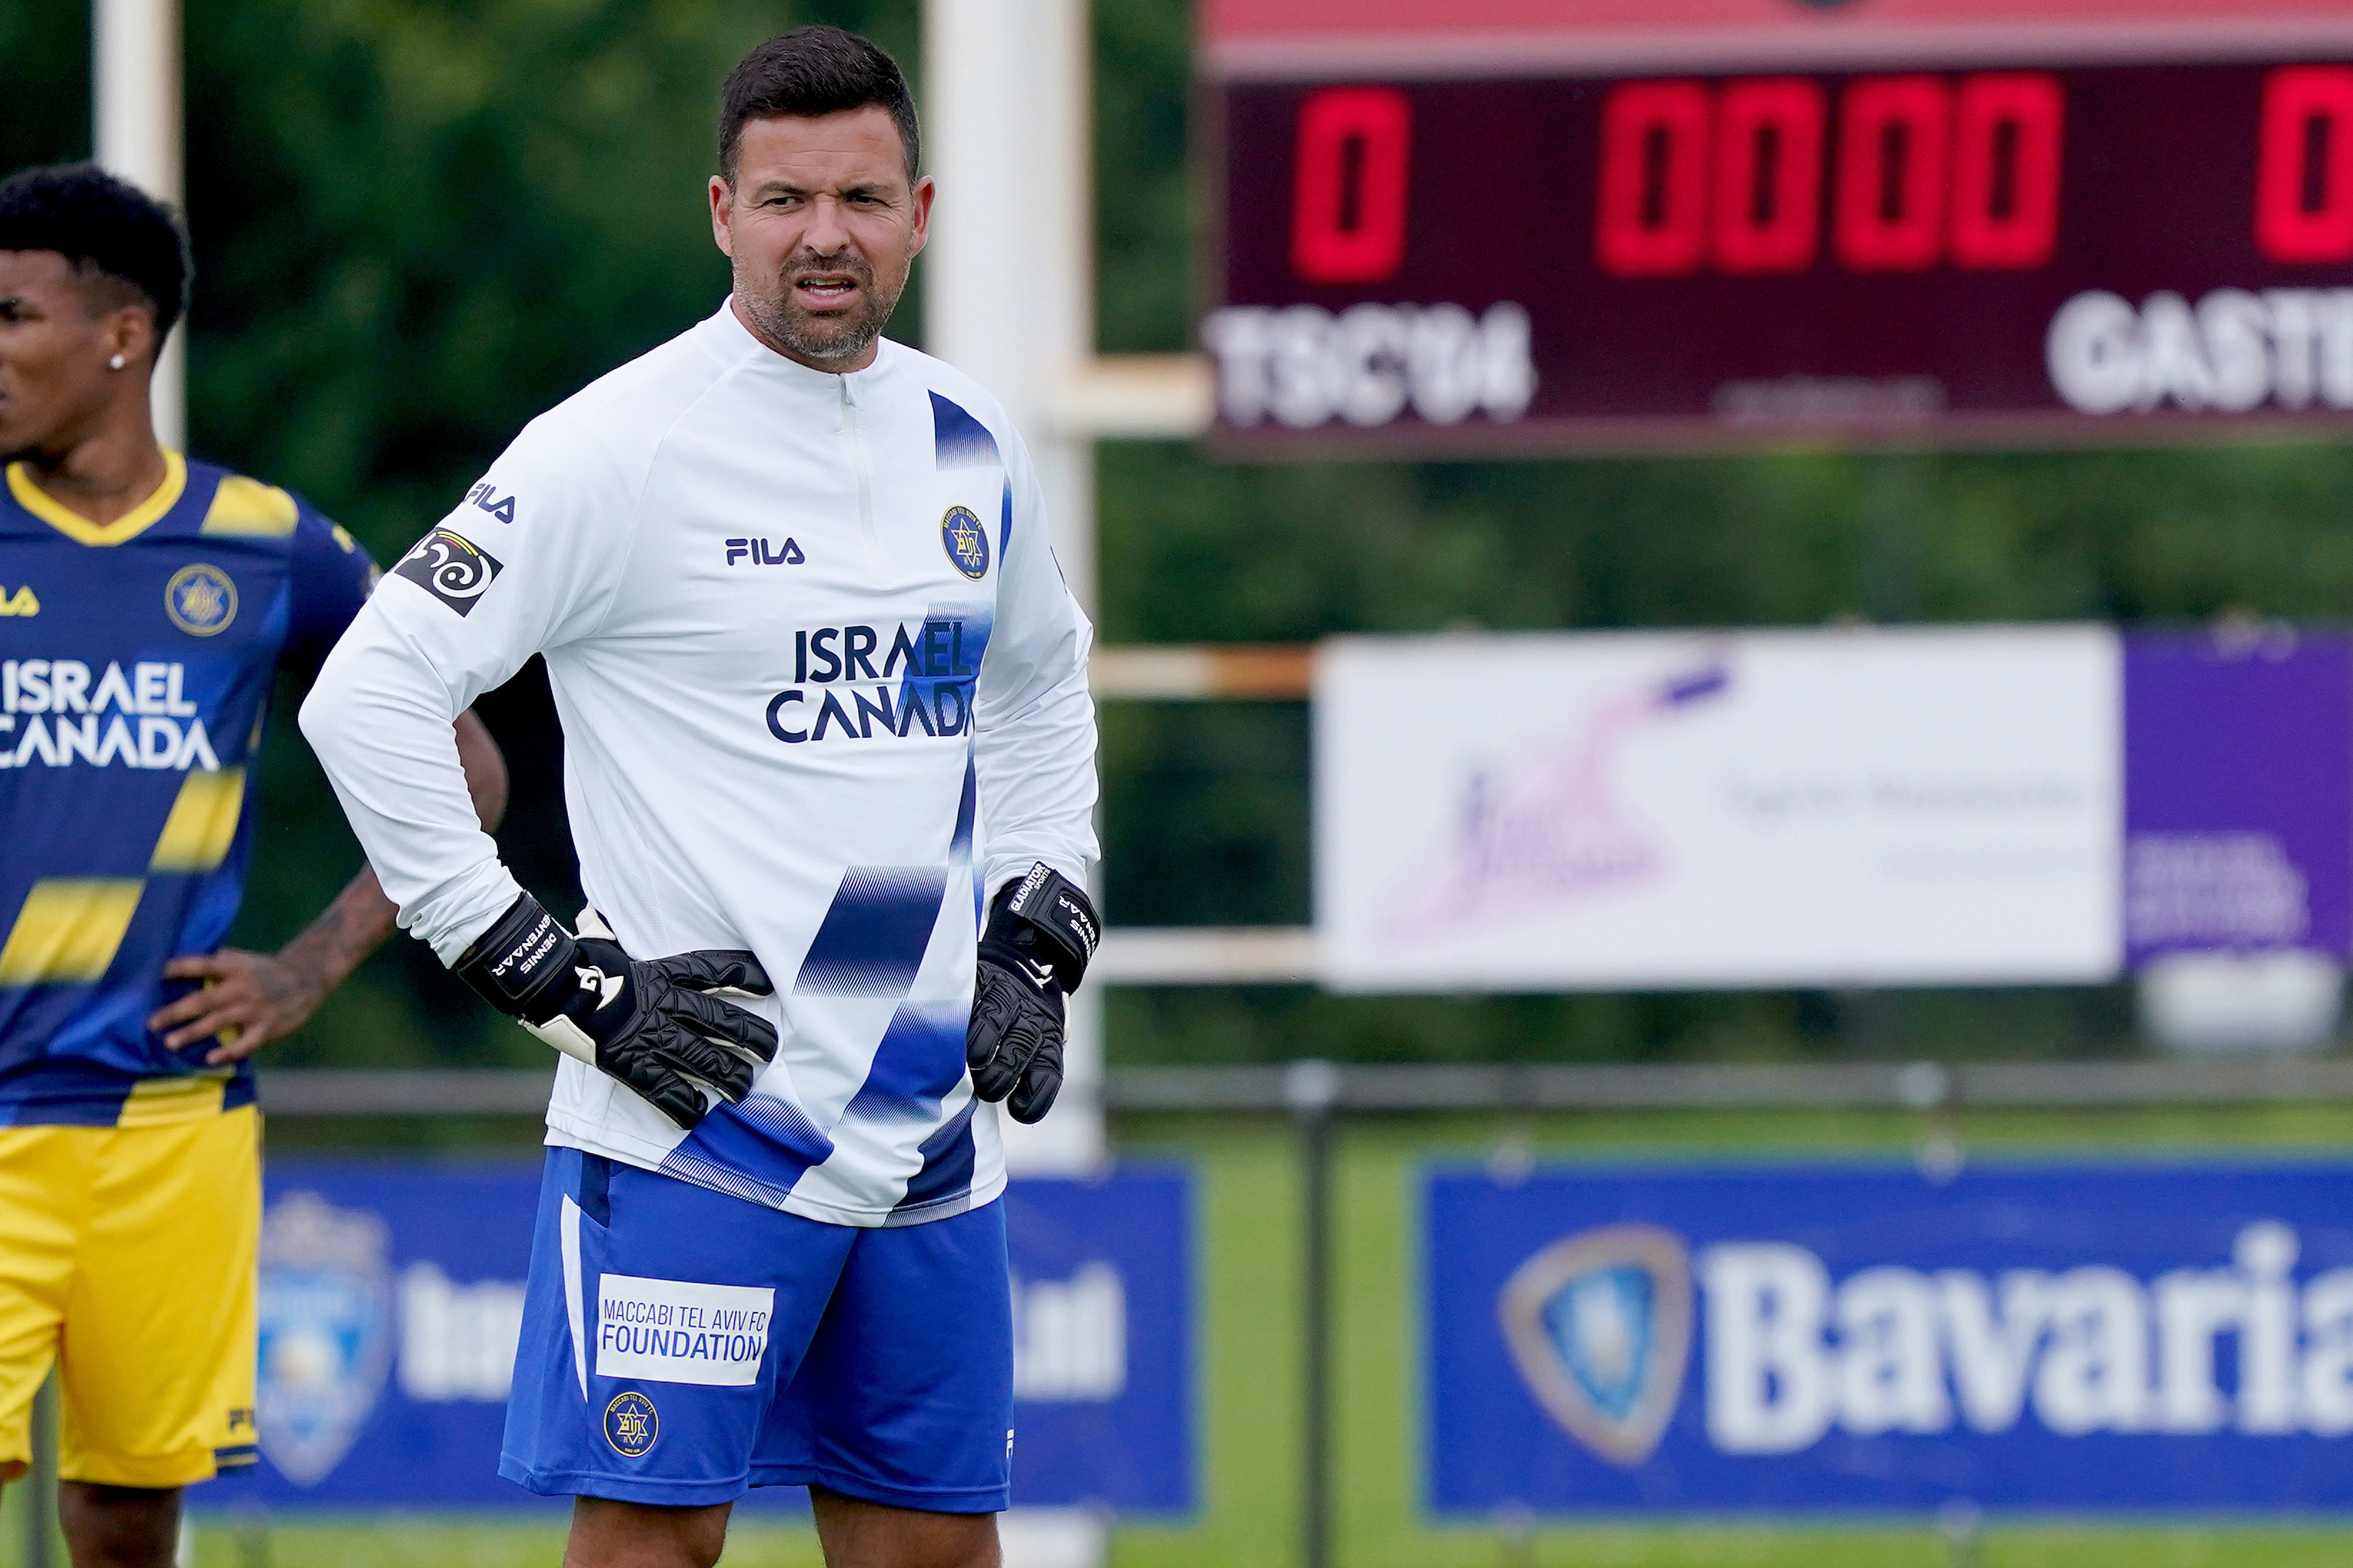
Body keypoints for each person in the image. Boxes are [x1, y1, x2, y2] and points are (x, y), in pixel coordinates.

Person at [301, 24, 1100, 1568]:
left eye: (862, 200)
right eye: (786, 198)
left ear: (919, 215)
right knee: (650, 1551)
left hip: (933, 1143)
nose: (826, 237)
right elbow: (369, 690)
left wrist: (1039, 922)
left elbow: (1039, 683)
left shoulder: (974, 437)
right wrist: (531, 961)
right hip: (702, 1121)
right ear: (721, 212)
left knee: (939, 1555)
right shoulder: (619, 443)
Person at [0, 164, 508, 1566]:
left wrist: (308, 964)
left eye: (11, 315)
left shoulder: (268, 548)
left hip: (170, 1124)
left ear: (120, 336)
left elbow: (461, 764)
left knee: (121, 1522)